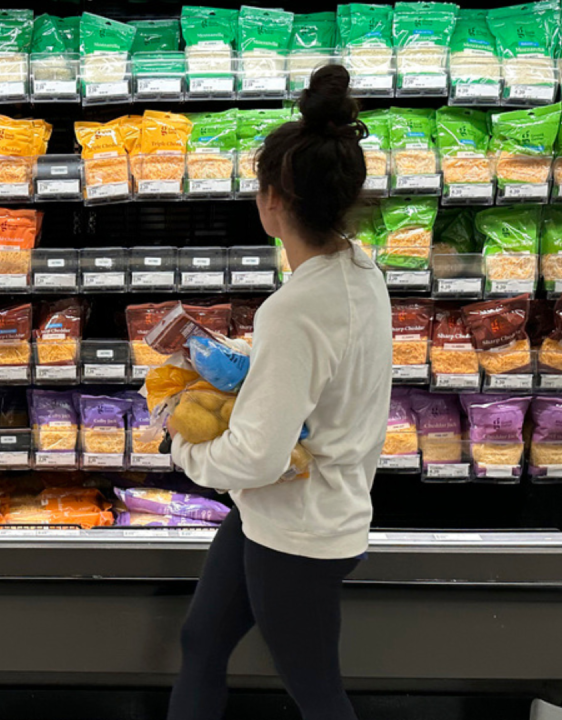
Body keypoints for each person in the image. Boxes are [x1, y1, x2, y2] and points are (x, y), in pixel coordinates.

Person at [167, 64, 393, 720]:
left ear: (271, 202)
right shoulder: (358, 272)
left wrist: (180, 446)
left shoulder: (296, 309)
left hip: (298, 531)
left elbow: (258, 458)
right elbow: (324, 369)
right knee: (202, 639)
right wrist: (239, 359)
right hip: (282, 514)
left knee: (318, 692)